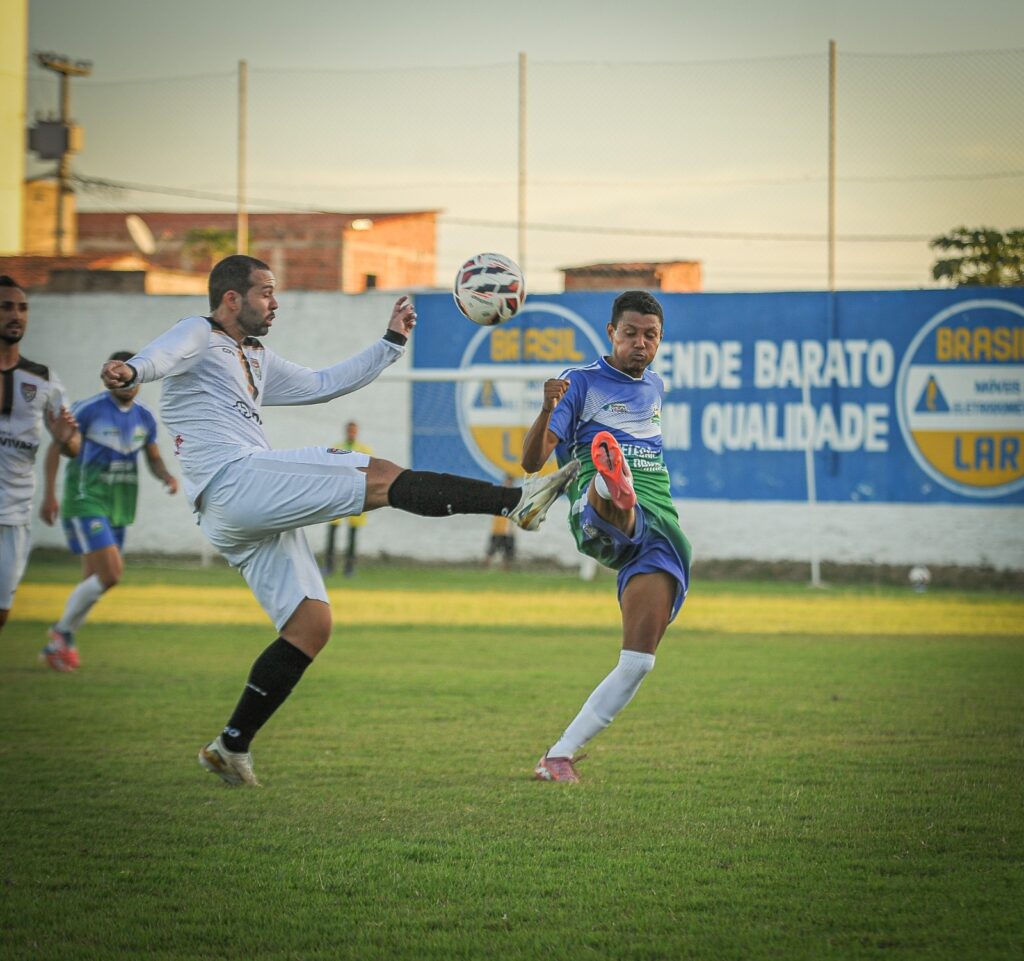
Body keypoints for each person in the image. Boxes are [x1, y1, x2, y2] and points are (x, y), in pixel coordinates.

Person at [100, 254, 578, 787]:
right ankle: (514, 501)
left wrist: (390, 344)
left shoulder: (254, 357)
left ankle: (230, 746)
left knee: (311, 625)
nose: (274, 302)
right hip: (233, 479)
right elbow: (164, 355)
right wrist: (131, 370)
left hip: (234, 509)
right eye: (265, 293)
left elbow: (323, 383)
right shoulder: (199, 333)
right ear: (231, 299)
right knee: (381, 476)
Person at [520, 290, 692, 783]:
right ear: (611, 333)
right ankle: (608, 481)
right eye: (631, 333)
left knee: (638, 661)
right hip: (593, 513)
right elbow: (533, 462)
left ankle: (558, 757)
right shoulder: (579, 382)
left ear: (659, 340)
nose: (641, 343)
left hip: (660, 522)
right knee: (613, 499)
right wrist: (546, 407)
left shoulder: (655, 386)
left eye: (651, 335)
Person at [39, 351, 179, 672]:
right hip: (86, 499)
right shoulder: (88, 410)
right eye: (118, 375)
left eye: (130, 375)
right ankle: (60, 633)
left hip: (119, 506)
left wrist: (166, 476)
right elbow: (57, 446)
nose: (125, 382)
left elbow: (153, 458)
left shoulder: (145, 417)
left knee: (94, 581)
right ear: (109, 378)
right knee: (111, 574)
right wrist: (48, 495)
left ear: (139, 378)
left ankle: (58, 645)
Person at [0, 275, 81, 634]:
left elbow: (73, 446)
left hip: (13, 517)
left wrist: (66, 439)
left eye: (22, 308)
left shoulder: (43, 380)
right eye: (5, 307)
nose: (16, 315)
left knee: (2, 613)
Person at [322, 420, 372, 577]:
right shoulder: (337, 448)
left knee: (353, 533)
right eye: (349, 431)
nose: (351, 433)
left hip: (356, 494)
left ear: (357, 432)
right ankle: (329, 566)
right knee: (332, 531)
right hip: (339, 495)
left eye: (354, 431)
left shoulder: (364, 450)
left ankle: (349, 568)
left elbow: (369, 471)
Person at [483, 474, 516, 571]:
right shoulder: (500, 494)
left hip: (508, 529)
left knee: (508, 553)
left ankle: (505, 570)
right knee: (491, 551)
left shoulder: (513, 496)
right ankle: (485, 568)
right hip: (498, 529)